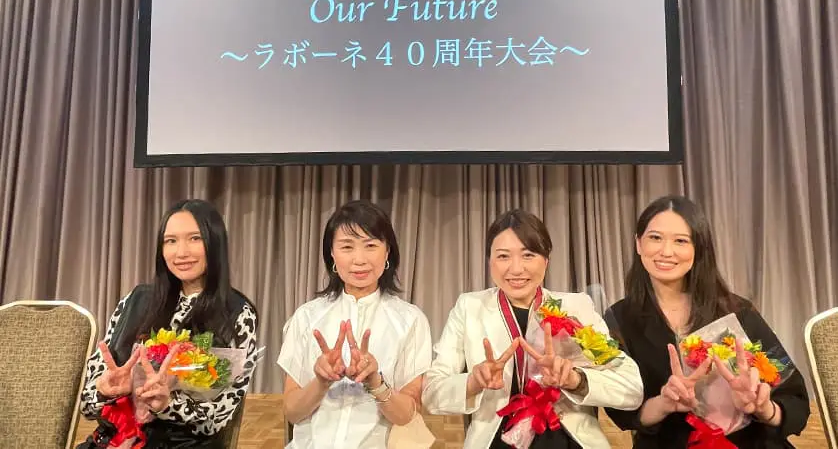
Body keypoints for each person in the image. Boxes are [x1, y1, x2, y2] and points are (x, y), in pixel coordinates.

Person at [422, 209, 644, 448]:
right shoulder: (469, 308)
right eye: (503, 256)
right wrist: (473, 382)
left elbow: (631, 388)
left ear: (546, 260)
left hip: (568, 441)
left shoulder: (576, 307)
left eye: (528, 255)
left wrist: (575, 379)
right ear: (489, 261)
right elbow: (432, 393)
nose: (516, 269)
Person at [603, 195, 810, 448]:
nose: (666, 251)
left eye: (681, 241)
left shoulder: (738, 311)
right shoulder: (619, 319)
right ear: (638, 243)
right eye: (655, 238)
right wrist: (664, 403)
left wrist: (763, 407)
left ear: (698, 248)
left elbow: (795, 397)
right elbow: (623, 412)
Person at [77, 199, 259, 448]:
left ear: (214, 243)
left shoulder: (238, 314)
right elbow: (86, 405)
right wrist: (104, 391)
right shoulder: (135, 300)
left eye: (194, 238)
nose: (181, 252)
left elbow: (217, 418)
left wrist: (168, 405)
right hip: (112, 441)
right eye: (170, 241)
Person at [277, 200, 433, 448]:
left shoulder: (411, 320)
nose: (359, 259)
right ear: (331, 253)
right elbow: (292, 412)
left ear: (388, 252)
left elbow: (406, 416)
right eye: (347, 246)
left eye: (370, 246)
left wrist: (375, 382)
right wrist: (321, 382)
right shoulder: (306, 317)